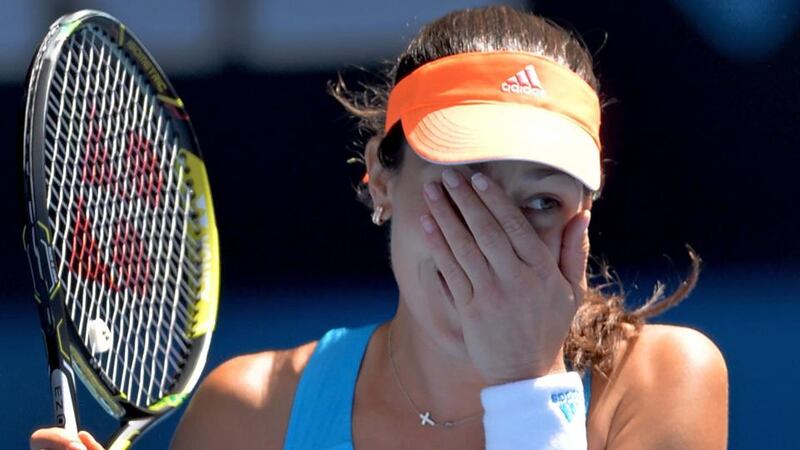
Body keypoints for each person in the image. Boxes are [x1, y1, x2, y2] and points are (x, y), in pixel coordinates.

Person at [30, 5, 728, 450]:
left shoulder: (666, 383)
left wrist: (525, 385)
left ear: (585, 215)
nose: (492, 239)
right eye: (463, 185)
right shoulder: (245, 419)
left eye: (540, 202)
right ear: (382, 179)